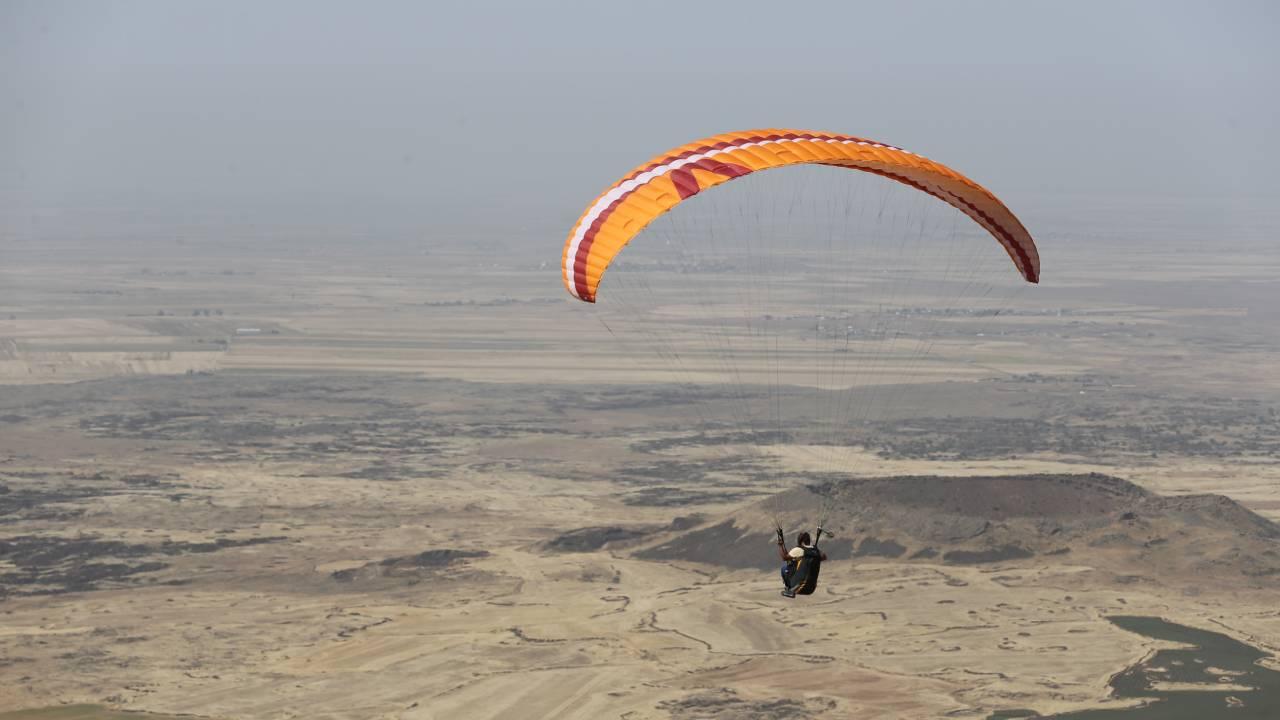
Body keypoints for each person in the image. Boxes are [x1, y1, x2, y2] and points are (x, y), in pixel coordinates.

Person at [776, 528, 827, 598]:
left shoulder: (799, 550)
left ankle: (788, 589)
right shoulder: (816, 552)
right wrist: (816, 550)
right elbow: (824, 557)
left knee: (784, 568)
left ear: (801, 541)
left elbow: (784, 557)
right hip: (811, 589)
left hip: (798, 587)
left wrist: (781, 545)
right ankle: (790, 588)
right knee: (796, 563)